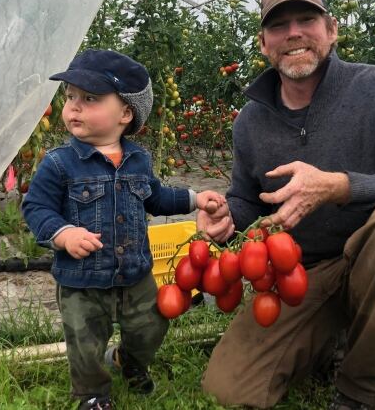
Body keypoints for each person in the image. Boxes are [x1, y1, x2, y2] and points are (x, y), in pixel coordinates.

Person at [197, 0, 375, 410]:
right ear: (264, 43)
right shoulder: (251, 121)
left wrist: (340, 186)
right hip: (301, 277)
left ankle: (361, 391)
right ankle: (328, 338)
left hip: (373, 263)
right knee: (228, 388)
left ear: (332, 30)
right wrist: (225, 213)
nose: (294, 32)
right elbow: (248, 199)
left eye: (307, 19)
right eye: (279, 26)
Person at [22, 49, 226, 410]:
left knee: (151, 327)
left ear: (126, 114)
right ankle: (92, 394)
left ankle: (129, 360)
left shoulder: (139, 160)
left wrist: (197, 198)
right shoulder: (58, 164)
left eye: (90, 98)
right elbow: (36, 207)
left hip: (135, 274)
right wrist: (63, 233)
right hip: (81, 281)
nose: (74, 107)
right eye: (70, 97)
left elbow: (158, 197)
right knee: (84, 343)